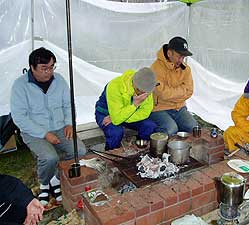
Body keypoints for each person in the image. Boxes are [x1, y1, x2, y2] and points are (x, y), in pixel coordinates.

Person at [10, 47, 86, 206]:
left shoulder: (60, 80)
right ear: (32, 67)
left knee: (80, 151)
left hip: (60, 127)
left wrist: (69, 123)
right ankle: (44, 185)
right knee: (49, 157)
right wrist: (44, 133)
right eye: (44, 68)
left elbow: (68, 105)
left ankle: (56, 178)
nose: (49, 72)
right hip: (34, 131)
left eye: (52, 67)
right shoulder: (20, 86)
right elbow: (19, 117)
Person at [95, 67, 157, 150]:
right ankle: (111, 155)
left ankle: (140, 148)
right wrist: (134, 105)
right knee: (116, 132)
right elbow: (116, 119)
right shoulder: (114, 86)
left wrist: (120, 118)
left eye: (148, 93)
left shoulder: (146, 88)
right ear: (136, 86)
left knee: (149, 126)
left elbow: (145, 112)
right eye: (143, 92)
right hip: (106, 114)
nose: (146, 95)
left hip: (122, 116)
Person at [149, 36, 198, 135]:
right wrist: (180, 92)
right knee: (171, 129)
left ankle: (181, 145)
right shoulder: (156, 68)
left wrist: (171, 93)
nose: (181, 60)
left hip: (179, 108)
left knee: (194, 128)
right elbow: (162, 93)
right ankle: (157, 143)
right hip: (159, 109)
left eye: (183, 57)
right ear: (169, 53)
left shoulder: (186, 69)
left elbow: (189, 91)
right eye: (179, 56)